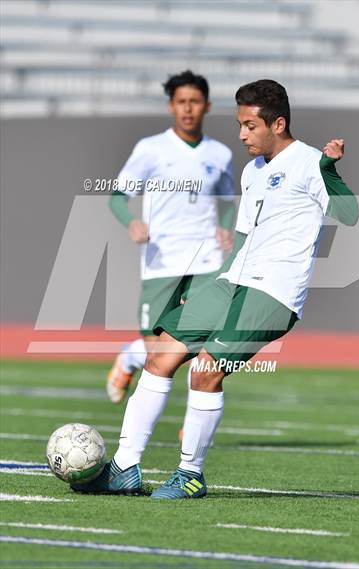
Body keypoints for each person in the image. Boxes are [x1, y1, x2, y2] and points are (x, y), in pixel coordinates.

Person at [73, 79, 359, 498]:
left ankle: (190, 474)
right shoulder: (252, 170)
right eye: (239, 124)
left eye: (249, 126)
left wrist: (330, 171)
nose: (241, 134)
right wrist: (213, 283)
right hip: (231, 280)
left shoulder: (311, 163)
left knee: (205, 372)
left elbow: (350, 214)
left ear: (277, 124)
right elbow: (242, 239)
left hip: (274, 293)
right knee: (161, 355)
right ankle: (124, 468)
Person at [107, 70, 236, 404]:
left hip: (206, 259)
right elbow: (118, 197)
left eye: (195, 101)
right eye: (182, 102)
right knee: (157, 354)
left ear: (207, 106)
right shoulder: (150, 149)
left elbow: (226, 202)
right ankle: (131, 356)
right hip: (161, 259)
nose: (188, 109)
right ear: (171, 106)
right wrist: (131, 222)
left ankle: (197, 417)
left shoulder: (220, 154)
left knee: (205, 344)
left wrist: (227, 227)